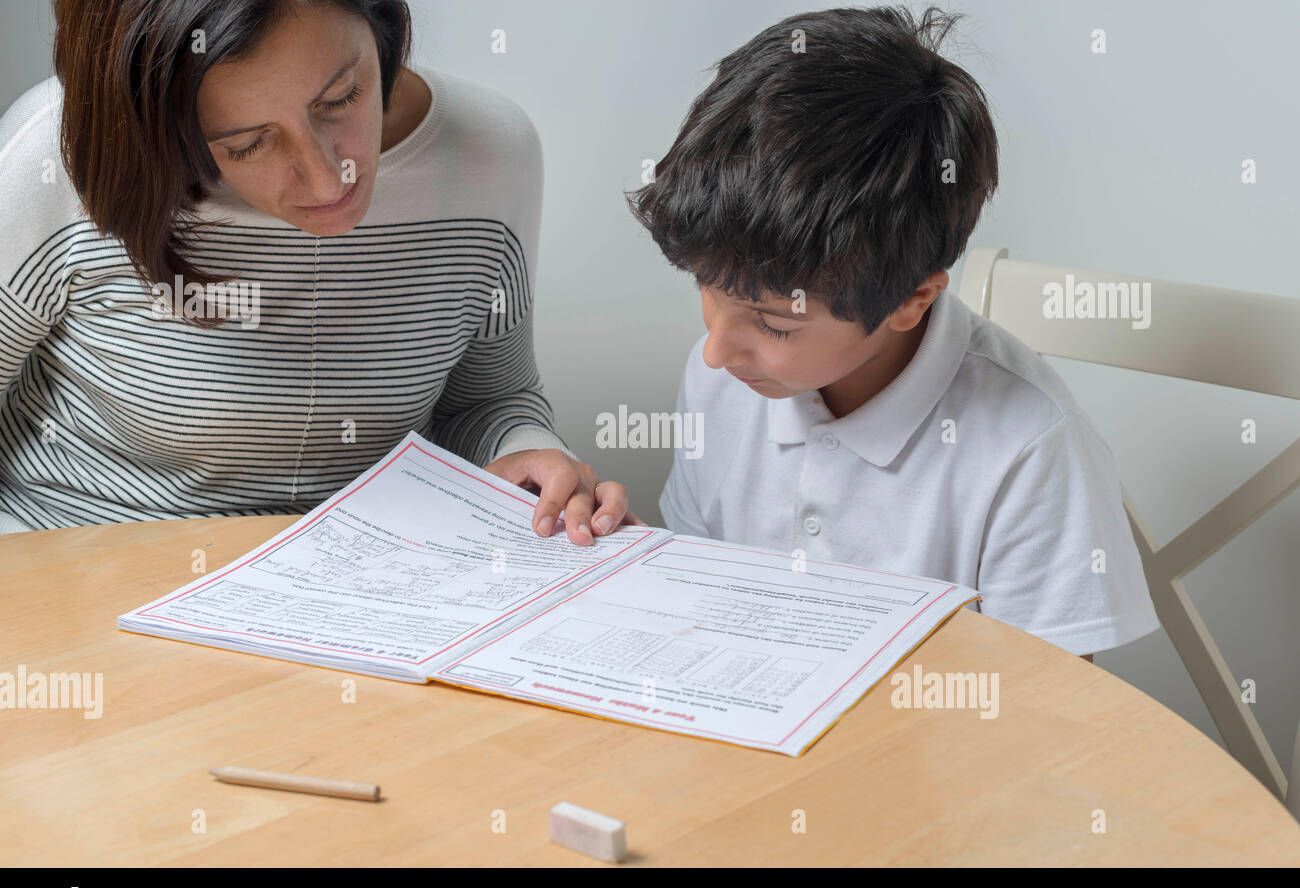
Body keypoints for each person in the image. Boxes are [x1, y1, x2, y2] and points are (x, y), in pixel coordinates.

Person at [628, 6, 1160, 658]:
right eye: (706, 290)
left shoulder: (1028, 450)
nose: (715, 349)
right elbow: (703, 603)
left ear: (911, 300)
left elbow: (1050, 720)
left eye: (772, 321)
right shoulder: (727, 380)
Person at [0, 0, 635, 543]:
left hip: (363, 600)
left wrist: (524, 451)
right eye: (248, 144)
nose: (331, 178)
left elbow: (490, 399)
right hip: (77, 576)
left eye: (342, 98)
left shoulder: (490, 153)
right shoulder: (53, 160)